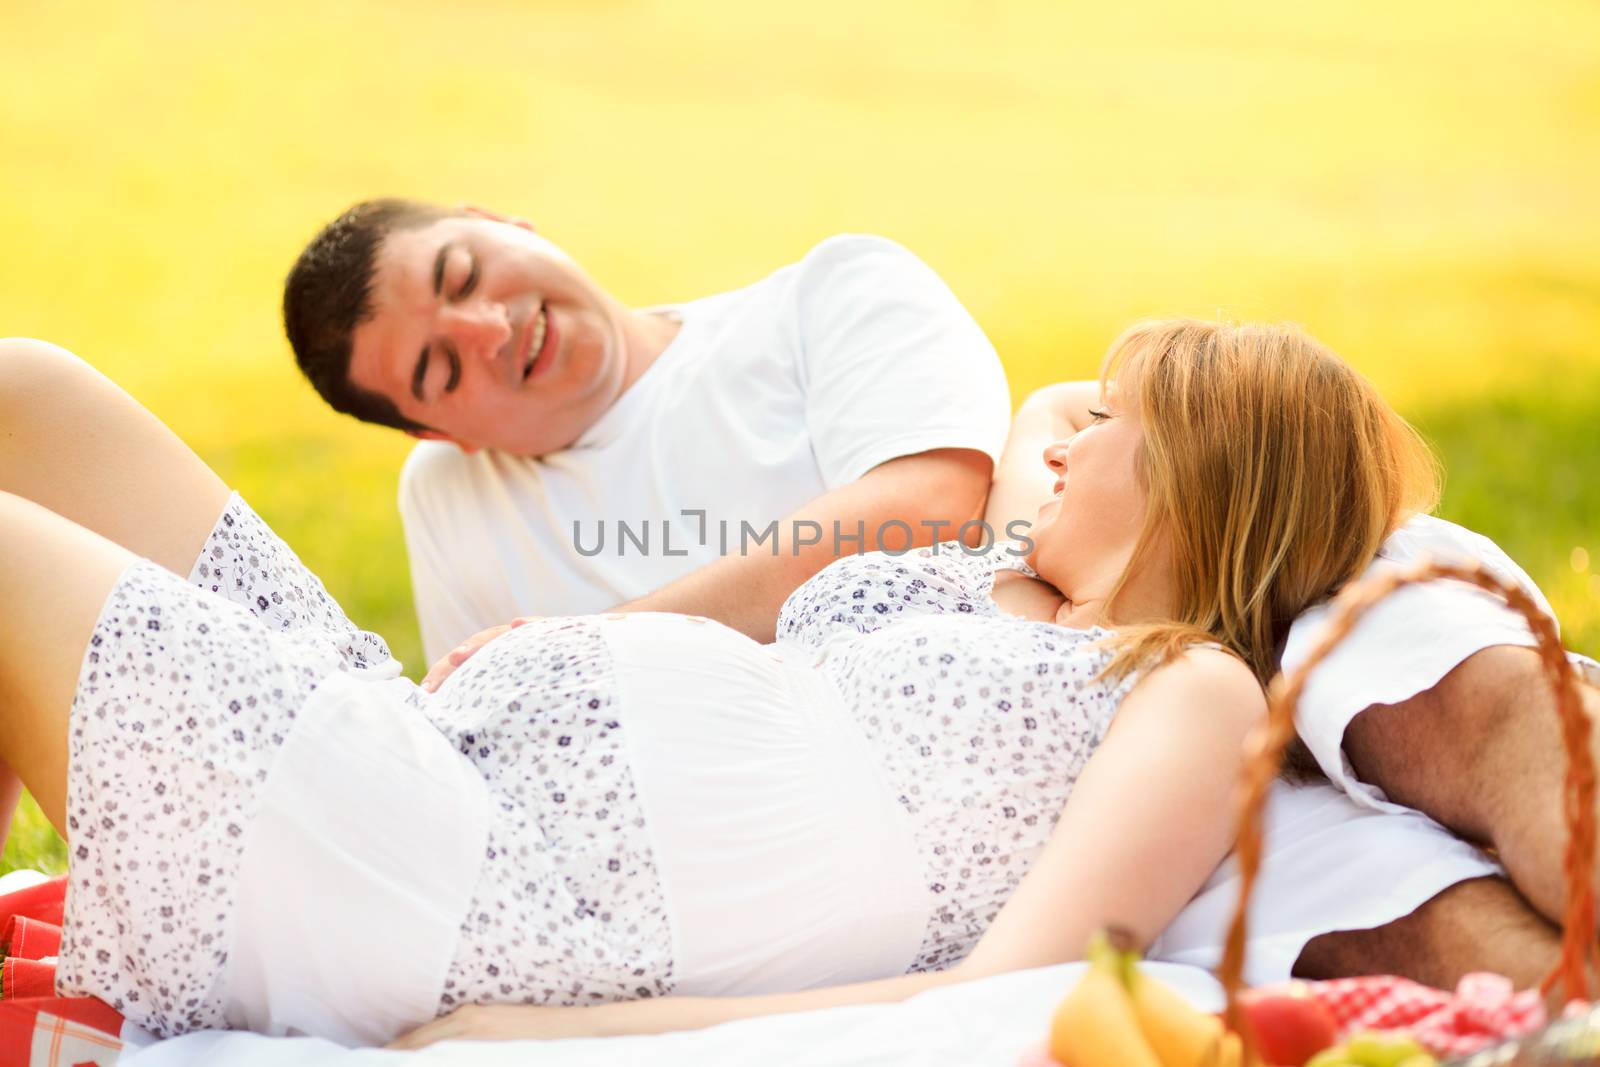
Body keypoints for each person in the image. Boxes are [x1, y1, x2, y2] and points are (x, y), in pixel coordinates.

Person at [0, 322, 1514, 1049]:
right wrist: (1127, 422)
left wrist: (546, 1036)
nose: (1059, 429)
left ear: (1202, 468)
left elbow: (1001, 990)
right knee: (28, 392)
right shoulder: (1018, 572)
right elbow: (1048, 403)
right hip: (413, 749)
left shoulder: (1179, 690)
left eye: (1113, 421)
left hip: (451, 883)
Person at [282, 200, 1013, 662]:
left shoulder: (838, 293)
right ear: (440, 433)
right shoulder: (450, 494)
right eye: (441, 370)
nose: (491, 328)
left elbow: (927, 507)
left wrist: (585, 648)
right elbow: (493, 737)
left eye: (466, 274)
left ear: (504, 223)